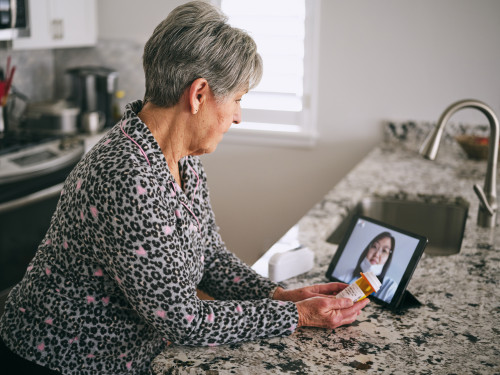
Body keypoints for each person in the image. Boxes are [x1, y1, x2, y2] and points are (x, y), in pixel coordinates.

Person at [0, 2, 369, 374]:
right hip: (54, 360)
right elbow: (181, 318)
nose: (239, 115)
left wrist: (277, 294)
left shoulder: (183, 159)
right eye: (238, 99)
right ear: (198, 95)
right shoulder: (126, 176)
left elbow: (210, 255)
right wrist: (296, 315)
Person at [337, 232, 398, 302]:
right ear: (367, 249)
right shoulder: (349, 274)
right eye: (374, 246)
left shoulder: (390, 286)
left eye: (384, 251)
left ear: (388, 258)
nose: (377, 254)